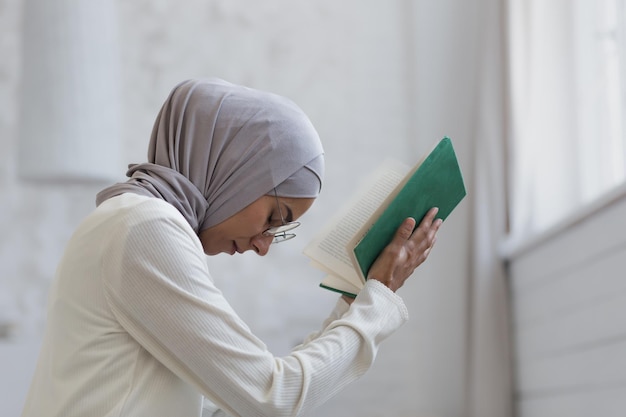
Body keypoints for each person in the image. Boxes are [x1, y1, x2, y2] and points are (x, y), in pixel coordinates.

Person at [21, 78, 442, 417]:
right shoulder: (148, 227)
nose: (262, 246)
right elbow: (270, 400)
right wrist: (378, 302)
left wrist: (354, 304)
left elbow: (230, 402)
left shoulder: (126, 220)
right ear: (236, 170)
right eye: (275, 218)